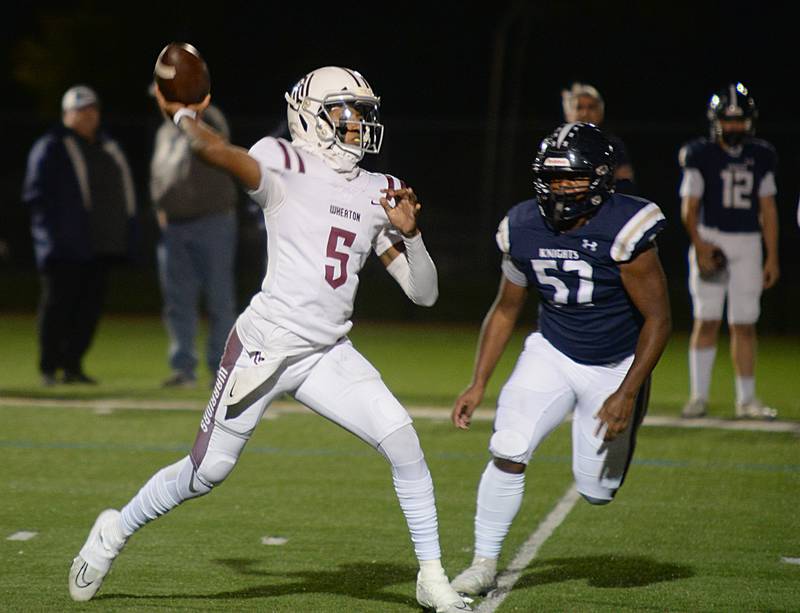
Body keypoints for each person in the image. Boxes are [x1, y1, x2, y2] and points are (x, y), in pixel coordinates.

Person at [68, 66, 472, 613]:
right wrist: (185, 115)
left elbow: (423, 294)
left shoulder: (380, 190)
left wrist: (412, 234)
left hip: (327, 351)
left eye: (362, 113)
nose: (359, 125)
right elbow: (219, 154)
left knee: (404, 442)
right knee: (206, 472)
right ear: (311, 116)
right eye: (346, 113)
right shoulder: (286, 161)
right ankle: (115, 529)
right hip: (268, 345)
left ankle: (431, 576)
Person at [449, 123, 670, 596]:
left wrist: (626, 391)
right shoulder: (523, 225)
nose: (560, 188)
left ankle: (623, 417)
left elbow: (659, 320)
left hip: (614, 363)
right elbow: (507, 308)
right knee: (508, 445)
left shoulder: (626, 226)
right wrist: (477, 382)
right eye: (552, 177)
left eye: (572, 178)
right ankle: (483, 562)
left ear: (602, 178)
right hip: (552, 351)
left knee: (595, 491)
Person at [22, 85, 137, 386]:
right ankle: (49, 367)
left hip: (100, 246)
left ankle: (73, 365)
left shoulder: (107, 146)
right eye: (80, 110)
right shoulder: (51, 146)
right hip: (64, 246)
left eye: (92, 110)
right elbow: (35, 196)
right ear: (66, 114)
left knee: (88, 311)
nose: (88, 116)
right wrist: (50, 238)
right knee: (57, 307)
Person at [679, 82, 779, 420]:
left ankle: (747, 399)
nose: (734, 127)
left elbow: (768, 208)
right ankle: (698, 397)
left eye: (739, 120)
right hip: (712, 237)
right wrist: (700, 244)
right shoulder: (699, 153)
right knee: (705, 319)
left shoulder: (762, 154)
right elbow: (689, 207)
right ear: (716, 121)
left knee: (744, 323)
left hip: (748, 241)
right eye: (728, 120)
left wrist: (772, 255)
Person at [150, 101, 239, 388]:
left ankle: (221, 368)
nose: (162, 101)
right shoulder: (164, 131)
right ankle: (183, 368)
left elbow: (216, 146)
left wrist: (190, 114)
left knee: (219, 299)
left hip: (212, 221)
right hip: (174, 226)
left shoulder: (210, 117)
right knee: (178, 302)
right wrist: (160, 209)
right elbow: (159, 175)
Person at [562, 82, 636, 193]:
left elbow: (625, 181)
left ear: (601, 112)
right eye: (579, 107)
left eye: (591, 107)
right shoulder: (558, 144)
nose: (585, 113)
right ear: (568, 113)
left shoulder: (613, 145)